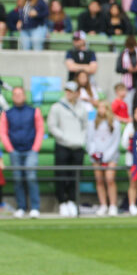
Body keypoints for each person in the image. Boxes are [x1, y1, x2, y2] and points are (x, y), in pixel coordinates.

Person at [0, 87, 44, 219]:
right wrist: (10, 149)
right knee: (18, 179)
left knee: (31, 177)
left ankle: (35, 207)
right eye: (15, 94)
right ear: (12, 97)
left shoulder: (34, 111)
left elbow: (40, 130)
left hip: (31, 150)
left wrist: (35, 148)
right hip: (15, 151)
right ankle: (21, 207)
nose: (18, 96)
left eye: (20, 94)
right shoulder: (7, 113)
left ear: (24, 96)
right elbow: (3, 131)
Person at [47, 81, 87, 217]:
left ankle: (72, 201)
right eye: (67, 90)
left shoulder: (82, 108)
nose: (69, 93)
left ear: (77, 93)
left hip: (77, 146)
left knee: (75, 176)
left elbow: (85, 127)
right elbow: (52, 126)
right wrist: (64, 138)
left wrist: (81, 139)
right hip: (62, 145)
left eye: (72, 91)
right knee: (61, 175)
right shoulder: (57, 107)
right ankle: (62, 202)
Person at [86, 100, 121, 217]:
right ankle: (103, 204)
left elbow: (115, 142)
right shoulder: (92, 123)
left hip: (110, 156)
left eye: (103, 107)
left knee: (110, 179)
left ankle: (113, 205)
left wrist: (106, 156)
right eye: (99, 107)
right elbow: (90, 139)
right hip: (96, 156)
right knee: (99, 180)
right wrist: (94, 153)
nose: (101, 110)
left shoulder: (115, 123)